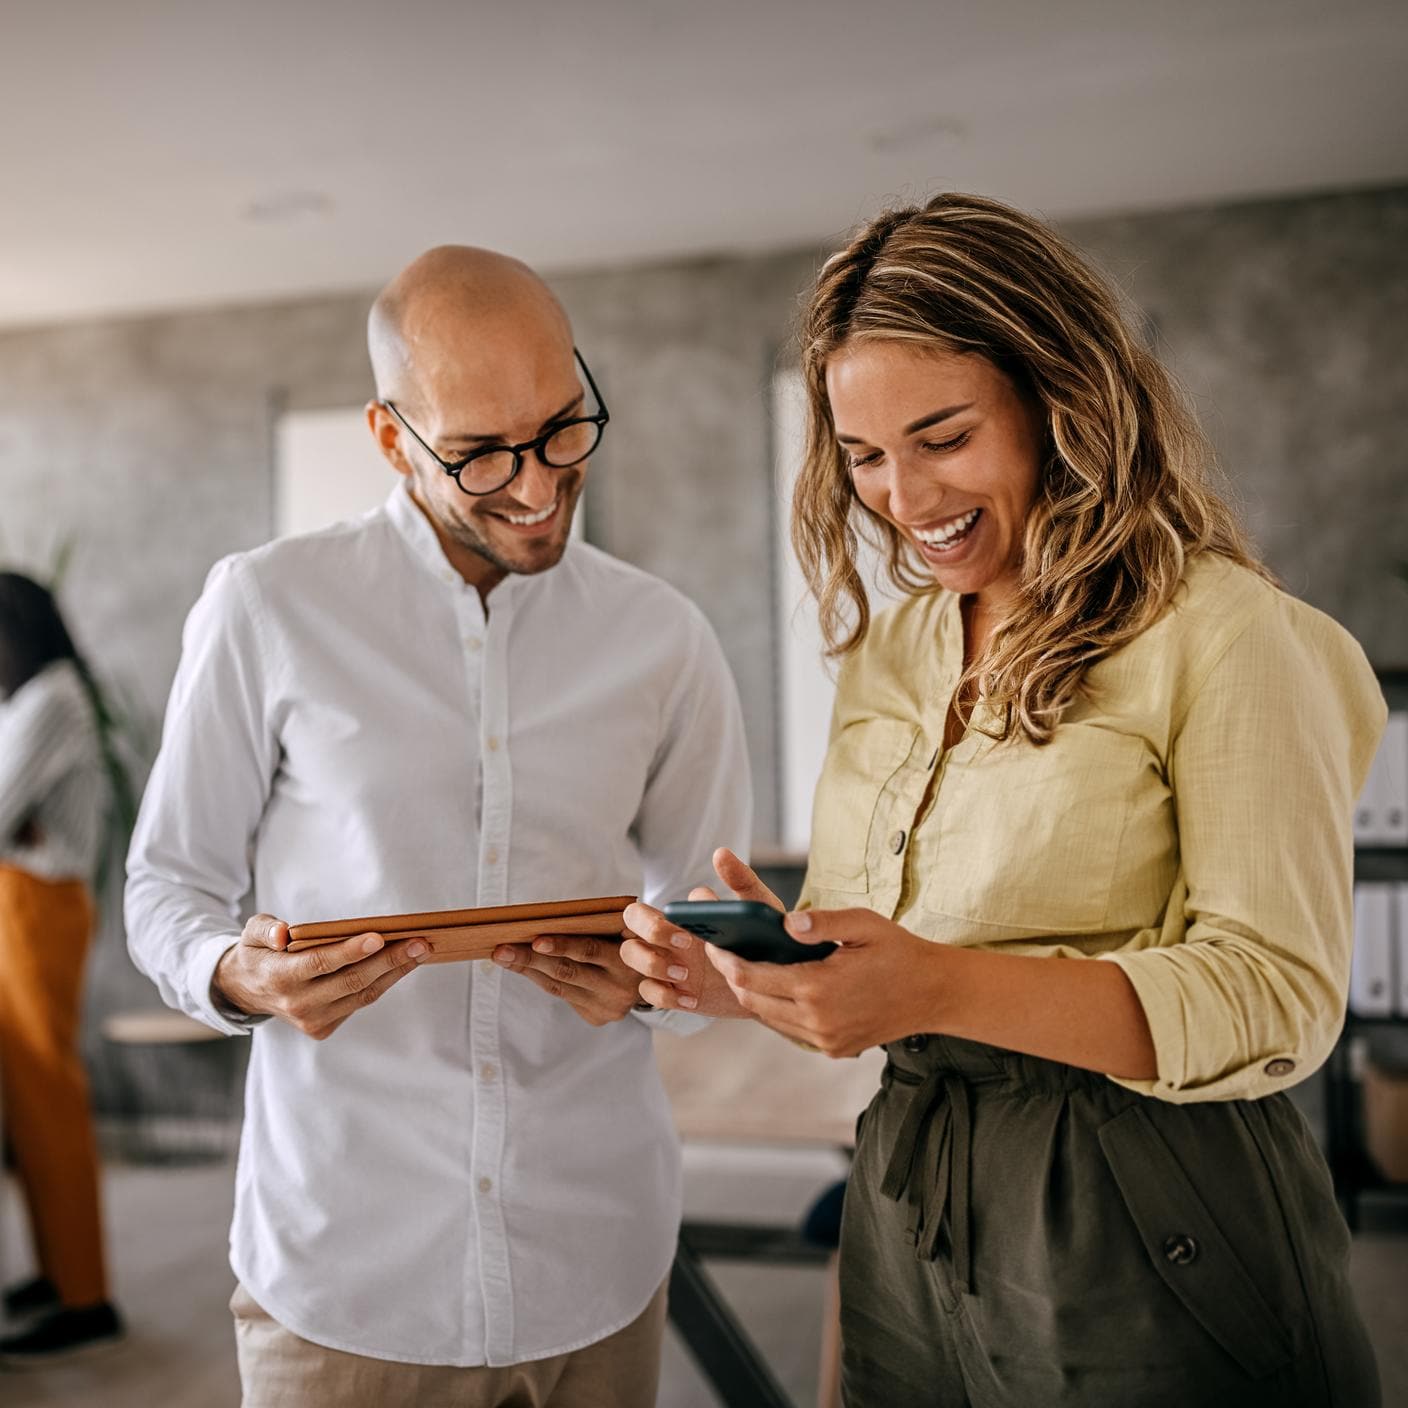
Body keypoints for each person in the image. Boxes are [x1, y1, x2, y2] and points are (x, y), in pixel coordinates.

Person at [621, 193, 1384, 1407]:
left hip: (1148, 1204)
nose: (904, 498)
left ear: (1057, 399)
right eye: (864, 456)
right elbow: (881, 947)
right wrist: (741, 977)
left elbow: (1276, 995)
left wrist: (934, 984)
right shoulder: (892, 651)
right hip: (910, 1192)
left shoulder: (1227, 635)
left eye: (943, 437)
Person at [125, 247, 750, 1408]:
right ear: (388, 435)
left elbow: (709, 918)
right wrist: (238, 974)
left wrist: (673, 974)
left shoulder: (664, 638)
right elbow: (167, 886)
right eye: (478, 454)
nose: (536, 483)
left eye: (564, 427)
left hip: (596, 1254)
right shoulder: (266, 606)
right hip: (348, 1269)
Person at [0, 572, 123, 1360]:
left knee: (47, 1094)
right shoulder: (34, 698)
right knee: (28, 1099)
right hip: (25, 900)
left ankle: (85, 1295)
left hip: (36, 908)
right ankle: (58, 1274)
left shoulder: (49, 699)